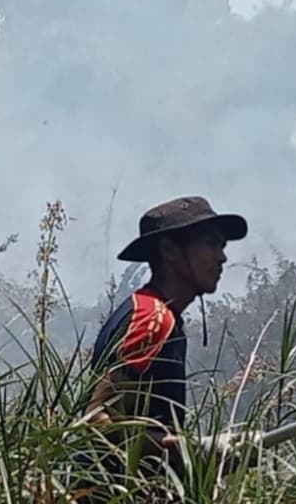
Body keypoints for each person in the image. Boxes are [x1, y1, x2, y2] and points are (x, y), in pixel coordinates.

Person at [76, 196, 247, 494]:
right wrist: (192, 450)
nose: (221, 258)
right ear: (169, 250)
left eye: (222, 246)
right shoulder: (151, 318)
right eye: (209, 244)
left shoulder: (157, 315)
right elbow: (98, 422)